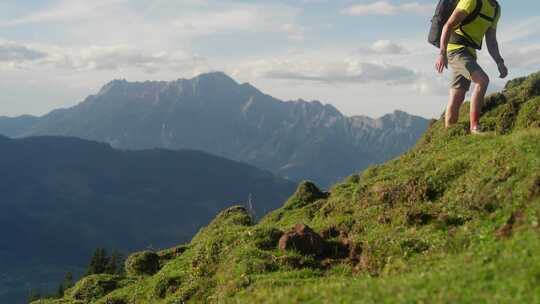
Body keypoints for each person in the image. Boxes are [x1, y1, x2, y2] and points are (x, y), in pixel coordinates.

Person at [435, 0, 508, 134]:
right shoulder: (472, 1)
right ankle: (474, 127)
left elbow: (491, 40)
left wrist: (499, 61)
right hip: (455, 49)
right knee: (482, 80)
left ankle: (449, 135)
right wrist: (442, 53)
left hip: (470, 53)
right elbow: (448, 25)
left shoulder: (496, 9)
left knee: (457, 97)